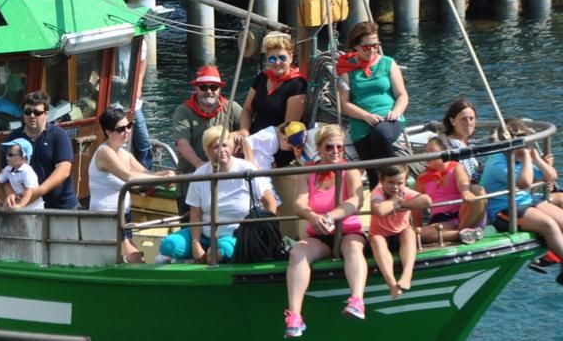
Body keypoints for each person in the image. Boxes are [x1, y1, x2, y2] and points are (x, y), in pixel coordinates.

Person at [285, 124, 368, 337]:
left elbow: (356, 200)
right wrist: (314, 216)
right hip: (319, 235)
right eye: (330, 147)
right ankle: (295, 315)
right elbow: (299, 204)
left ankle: (357, 300)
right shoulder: (308, 172)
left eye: (340, 148)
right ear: (319, 148)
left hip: (348, 231)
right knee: (297, 252)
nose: (335, 152)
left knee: (352, 247)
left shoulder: (349, 169)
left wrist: (332, 216)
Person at [158, 125, 276, 263]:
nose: (222, 150)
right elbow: (195, 214)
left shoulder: (247, 169)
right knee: (168, 245)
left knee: (218, 253)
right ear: (207, 151)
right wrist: (196, 244)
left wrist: (264, 232)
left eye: (224, 145)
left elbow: (270, 203)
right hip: (205, 234)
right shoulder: (200, 175)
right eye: (215, 147)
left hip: (237, 235)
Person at [480, 118, 563, 286]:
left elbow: (552, 176)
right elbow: (524, 183)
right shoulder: (498, 162)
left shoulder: (522, 159)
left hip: (527, 201)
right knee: (548, 225)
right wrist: (526, 157)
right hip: (504, 210)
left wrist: (538, 160)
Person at [89, 107, 173, 262]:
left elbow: (147, 174)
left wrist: (166, 175)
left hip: (124, 213)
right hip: (107, 215)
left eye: (129, 126)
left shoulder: (124, 154)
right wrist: (160, 180)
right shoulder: (105, 153)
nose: (127, 131)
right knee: (133, 257)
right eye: (121, 129)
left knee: (129, 256)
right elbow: (128, 176)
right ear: (108, 132)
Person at [337, 21, 409, 189]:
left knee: (381, 133)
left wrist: (396, 111)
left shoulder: (388, 63)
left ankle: (398, 182)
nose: (372, 50)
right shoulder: (346, 68)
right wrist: (366, 116)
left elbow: (402, 95)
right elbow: (345, 103)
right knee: (372, 173)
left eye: (375, 45)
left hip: (389, 118)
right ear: (356, 46)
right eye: (366, 47)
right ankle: (380, 201)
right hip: (362, 123)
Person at [172, 65, 241, 214]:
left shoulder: (232, 108)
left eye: (214, 87)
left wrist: (239, 134)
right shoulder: (183, 111)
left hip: (226, 185)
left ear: (219, 89)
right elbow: (181, 142)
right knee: (189, 227)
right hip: (191, 182)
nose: (209, 91)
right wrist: (200, 166)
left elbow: (246, 131)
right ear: (196, 88)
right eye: (203, 87)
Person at [239, 32, 307, 165]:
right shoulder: (262, 78)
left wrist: (257, 141)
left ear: (291, 57)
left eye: (282, 58)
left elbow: (288, 126)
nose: (277, 62)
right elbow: (247, 109)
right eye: (272, 59)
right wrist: (244, 131)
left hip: (278, 143)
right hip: (253, 138)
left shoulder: (297, 84)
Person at [3, 90, 77, 209]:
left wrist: (37, 192)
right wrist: (10, 193)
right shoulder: (13, 138)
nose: (32, 116)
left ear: (46, 114)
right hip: (27, 206)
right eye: (28, 112)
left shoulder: (59, 135)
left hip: (60, 206)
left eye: (37, 112)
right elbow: (5, 172)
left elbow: (63, 170)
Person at [369, 164, 431, 299]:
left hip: (400, 235)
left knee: (409, 232)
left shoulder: (406, 192)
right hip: (381, 236)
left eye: (399, 183)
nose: (395, 187)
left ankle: (407, 275)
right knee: (376, 240)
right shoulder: (378, 191)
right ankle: (391, 284)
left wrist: (403, 204)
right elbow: (379, 210)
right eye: (390, 183)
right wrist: (394, 200)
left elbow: (426, 201)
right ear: (382, 181)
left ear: (405, 182)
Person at [414, 134, 486, 244]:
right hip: (442, 220)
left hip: (464, 212)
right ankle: (462, 234)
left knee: (477, 190)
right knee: (417, 234)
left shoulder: (456, 166)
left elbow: (463, 181)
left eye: (431, 151)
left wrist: (465, 191)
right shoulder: (422, 178)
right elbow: (416, 208)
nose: (426, 155)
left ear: (444, 152)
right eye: (426, 151)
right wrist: (417, 228)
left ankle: (463, 229)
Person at [0, 137, 43, 210]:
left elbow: (29, 191)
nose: (7, 158)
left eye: (11, 155)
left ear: (23, 157)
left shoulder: (27, 171)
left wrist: (20, 205)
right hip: (18, 208)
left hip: (34, 210)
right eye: (7, 154)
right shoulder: (8, 169)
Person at [442, 98, 482, 181]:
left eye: (471, 118)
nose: (468, 123)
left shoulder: (468, 144)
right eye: (464, 119)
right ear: (452, 121)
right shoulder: (449, 145)